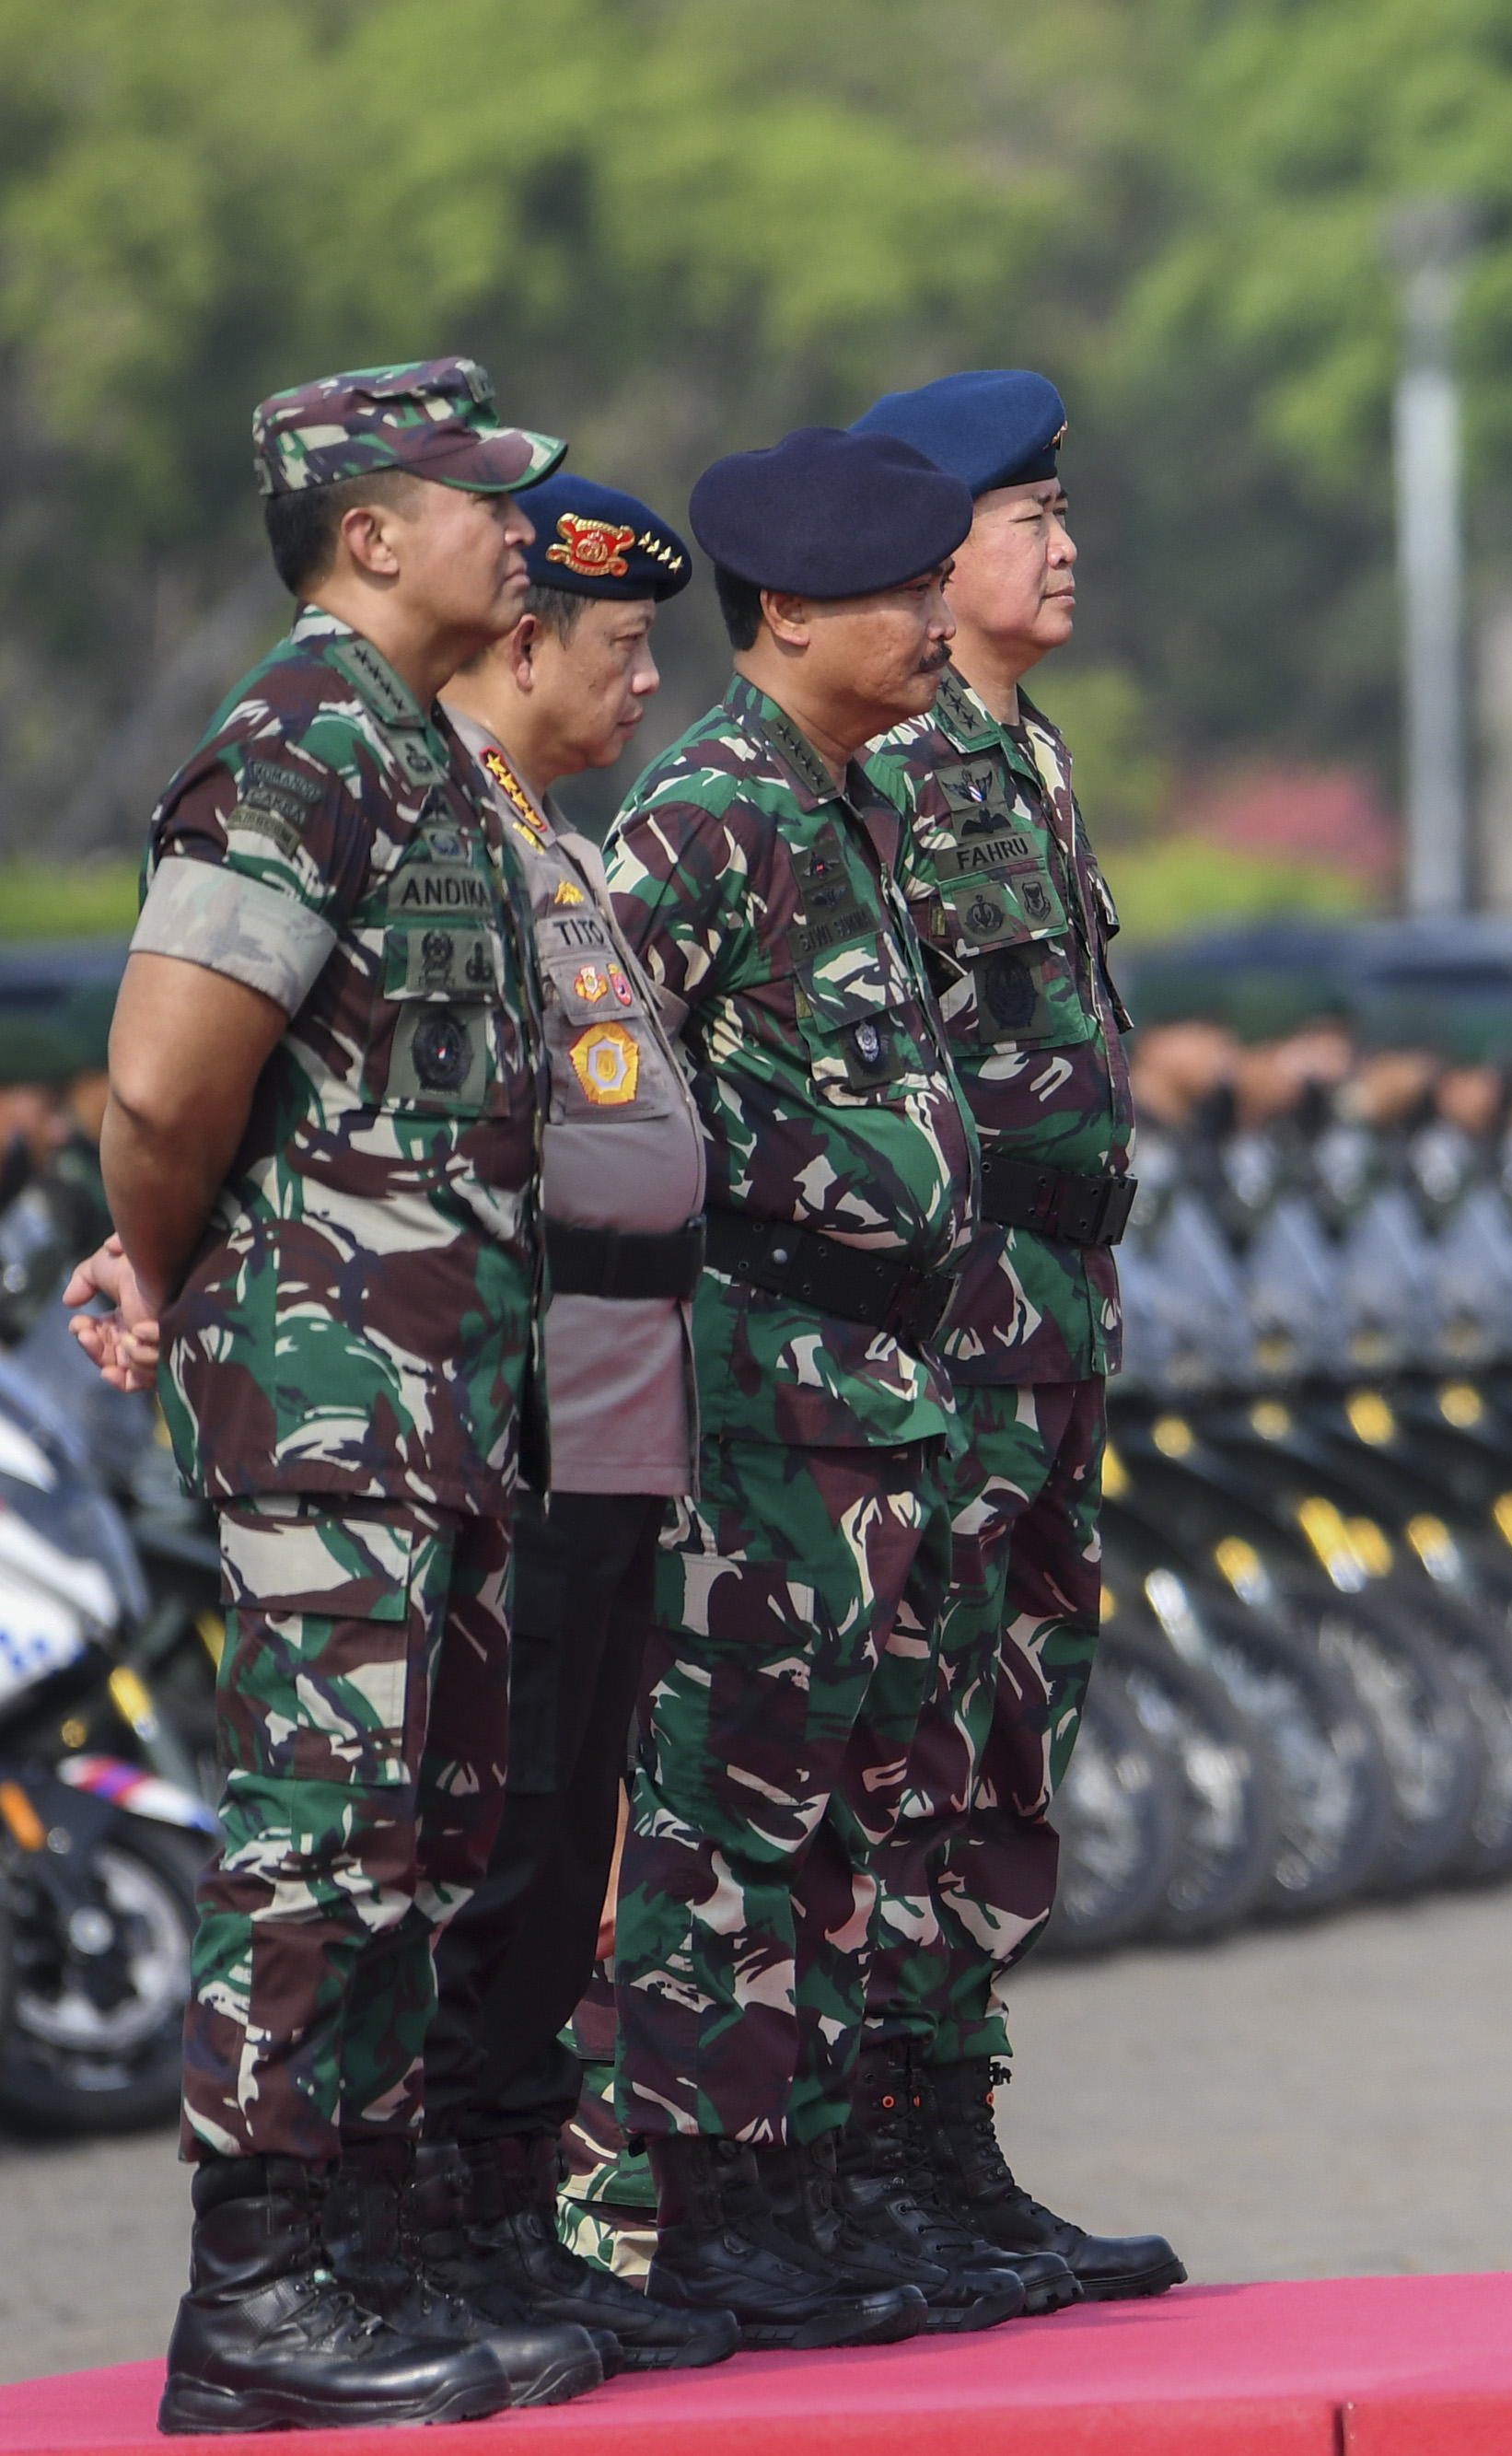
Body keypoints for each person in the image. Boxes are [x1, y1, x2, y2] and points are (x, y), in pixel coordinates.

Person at [63, 359, 606, 2431]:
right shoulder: (295, 743)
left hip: (436, 1375)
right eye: (480, 503)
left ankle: (368, 2239)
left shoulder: (419, 747)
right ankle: (260, 2281)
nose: (516, 533)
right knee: (326, 1815)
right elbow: (164, 1078)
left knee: (424, 1811)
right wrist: (189, 1266)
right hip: (329, 1369)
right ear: (368, 534)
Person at [598, 425, 1009, 2345]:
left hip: (872, 1385)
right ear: (786, 613)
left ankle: (807, 2178)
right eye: (900, 594)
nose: (938, 621)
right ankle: (701, 2203)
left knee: (849, 1797)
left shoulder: (837, 799)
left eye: (939, 583)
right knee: (730, 1807)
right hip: (759, 1388)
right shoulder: (704, 817)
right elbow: (598, 1109)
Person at [843, 370, 1181, 2299]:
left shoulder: (1022, 753)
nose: (1062, 547)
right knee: (900, 1731)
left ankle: (952, 2141)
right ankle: (869, 2159)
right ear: (925, 549)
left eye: (1061, 514)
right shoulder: (882, 767)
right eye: (1025, 517)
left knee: (1005, 1731)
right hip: (935, 1324)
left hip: (1050, 1312)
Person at [415, 473, 737, 2374]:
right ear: (520, 640)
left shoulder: (548, 833)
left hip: (615, 1395)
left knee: (570, 1812)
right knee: (496, 1814)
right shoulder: (442, 825)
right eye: (619, 651)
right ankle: (448, 2218)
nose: (640, 691)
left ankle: (522, 2209)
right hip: (508, 1398)